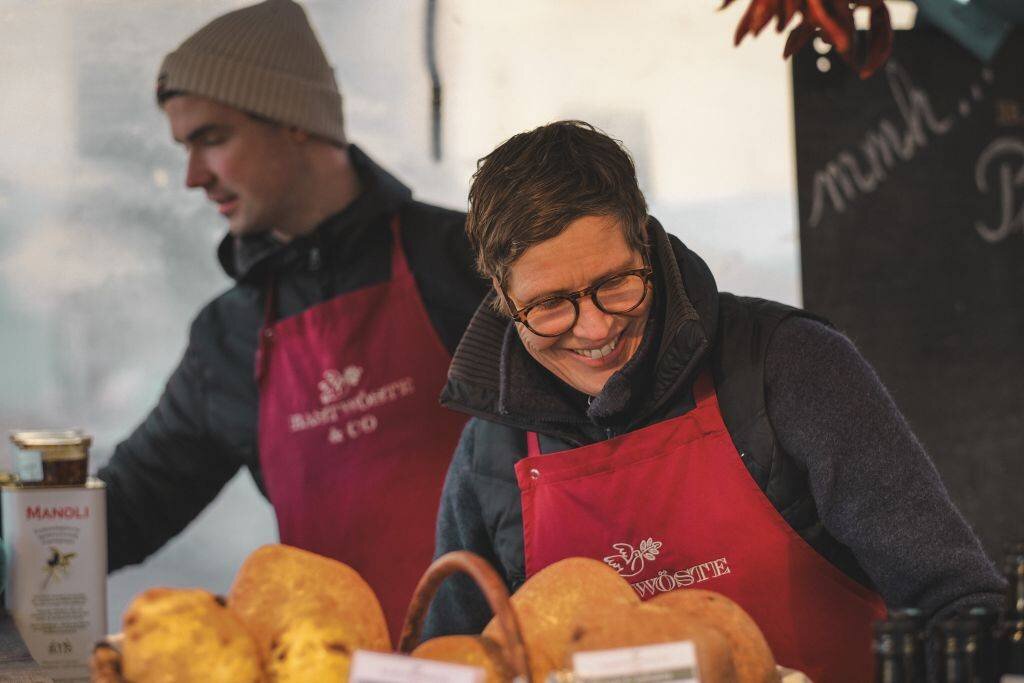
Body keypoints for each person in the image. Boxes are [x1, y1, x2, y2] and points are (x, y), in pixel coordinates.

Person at [423, 120, 1004, 681]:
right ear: (501, 298)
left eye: (616, 284)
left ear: (646, 243)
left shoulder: (788, 364)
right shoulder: (490, 456)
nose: (596, 329)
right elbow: (448, 664)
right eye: (550, 304)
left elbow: (956, 604)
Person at [96, 0, 487, 640]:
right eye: (184, 147)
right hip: (330, 667)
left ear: (296, 122)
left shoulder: (467, 261)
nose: (194, 177)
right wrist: (18, 550)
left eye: (212, 139)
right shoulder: (229, 337)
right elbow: (131, 503)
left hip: (500, 661)